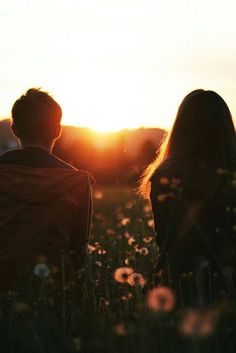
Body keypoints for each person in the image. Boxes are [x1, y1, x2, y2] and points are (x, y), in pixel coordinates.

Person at [139, 90, 236, 302]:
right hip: (228, 284)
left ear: (182, 127)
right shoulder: (231, 174)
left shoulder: (165, 174)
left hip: (176, 285)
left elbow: (163, 238)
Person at [0, 88, 94, 292]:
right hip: (56, 287)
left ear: (14, 129)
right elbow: (78, 251)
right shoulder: (77, 182)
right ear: (57, 131)